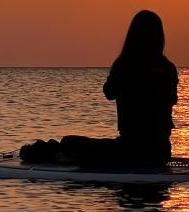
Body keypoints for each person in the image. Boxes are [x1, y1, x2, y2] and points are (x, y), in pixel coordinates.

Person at [20, 10, 178, 166]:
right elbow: (172, 99)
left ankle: (41, 152)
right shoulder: (168, 68)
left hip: (131, 150)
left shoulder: (125, 65)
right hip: (161, 152)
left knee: (69, 142)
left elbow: (109, 92)